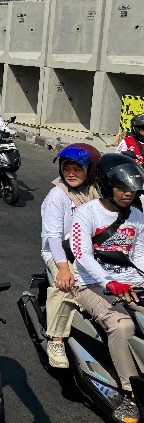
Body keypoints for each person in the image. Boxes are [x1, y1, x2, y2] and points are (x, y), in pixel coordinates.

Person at [70, 153, 144, 422]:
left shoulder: (136, 214)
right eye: (122, 187)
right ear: (105, 184)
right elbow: (82, 254)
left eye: (133, 189)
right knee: (123, 327)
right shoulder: (86, 213)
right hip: (91, 283)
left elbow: (139, 254)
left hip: (129, 282)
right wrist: (108, 281)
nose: (128, 194)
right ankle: (130, 394)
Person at [40, 143, 101, 369]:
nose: (71, 174)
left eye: (77, 169)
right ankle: (56, 339)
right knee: (65, 286)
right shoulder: (58, 195)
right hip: (61, 253)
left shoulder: (95, 191)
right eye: (67, 169)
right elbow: (53, 237)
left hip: (91, 251)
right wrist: (63, 268)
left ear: (90, 171)